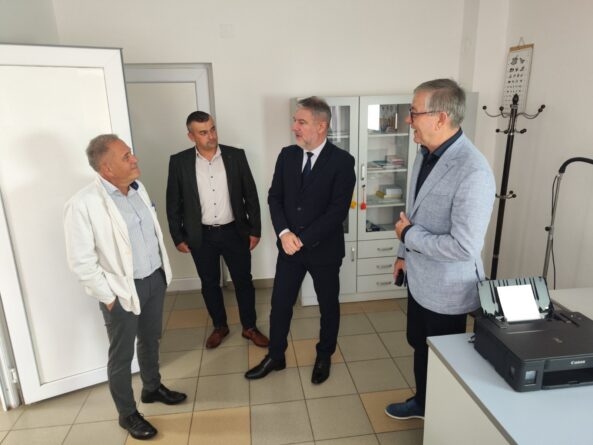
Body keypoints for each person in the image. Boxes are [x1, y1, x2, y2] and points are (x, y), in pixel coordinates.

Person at [384, 79, 495, 420]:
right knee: (420, 345)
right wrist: (403, 254)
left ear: (441, 118)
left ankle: (442, 419)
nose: (408, 120)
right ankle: (423, 402)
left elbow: (464, 247)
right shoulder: (425, 153)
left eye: (414, 112)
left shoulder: (473, 171)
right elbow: (413, 212)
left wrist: (409, 236)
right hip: (420, 279)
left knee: (443, 358)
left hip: (448, 290)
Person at [64, 134, 187, 441]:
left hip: (153, 280)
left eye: (131, 154)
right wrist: (108, 297)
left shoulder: (138, 189)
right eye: (126, 157)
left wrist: (160, 274)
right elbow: (81, 261)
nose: (134, 159)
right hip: (121, 291)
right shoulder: (82, 204)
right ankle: (127, 414)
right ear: (107, 168)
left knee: (151, 339)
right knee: (121, 356)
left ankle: (152, 387)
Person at [245, 96, 356, 384]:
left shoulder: (342, 162)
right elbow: (275, 198)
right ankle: (276, 356)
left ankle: (324, 355)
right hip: (289, 249)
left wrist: (302, 239)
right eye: (295, 121)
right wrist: (284, 234)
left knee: (328, 306)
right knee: (280, 304)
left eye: (301, 122)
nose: (294, 127)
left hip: (324, 250)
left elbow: (337, 212)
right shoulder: (287, 156)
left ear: (321, 126)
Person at [166, 111, 268, 349]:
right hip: (201, 235)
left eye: (212, 129)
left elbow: (251, 195)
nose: (211, 136)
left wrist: (255, 230)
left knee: (243, 281)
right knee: (209, 283)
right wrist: (177, 236)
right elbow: (173, 203)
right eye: (203, 132)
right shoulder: (179, 162)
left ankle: (249, 327)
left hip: (235, 232)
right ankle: (220, 326)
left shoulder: (235, 156)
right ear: (191, 136)